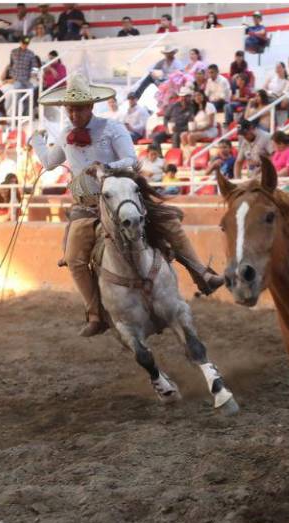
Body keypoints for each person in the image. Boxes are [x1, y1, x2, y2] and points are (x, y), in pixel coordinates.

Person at [30, 73, 223, 337]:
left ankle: (202, 273)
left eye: (78, 108)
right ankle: (96, 313)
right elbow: (50, 162)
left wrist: (106, 167)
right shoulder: (65, 134)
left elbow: (131, 160)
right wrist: (37, 142)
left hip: (122, 197)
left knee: (169, 223)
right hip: (86, 206)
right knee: (74, 258)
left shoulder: (112, 128)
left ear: (90, 106)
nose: (73, 114)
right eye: (70, 109)